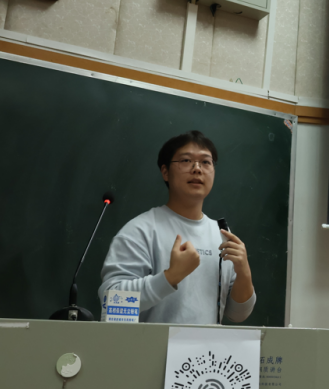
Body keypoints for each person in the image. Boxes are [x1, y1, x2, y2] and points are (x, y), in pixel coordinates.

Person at [98, 130, 255, 324]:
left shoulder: (222, 235)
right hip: (151, 344)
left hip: (208, 345)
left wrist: (244, 272)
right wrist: (170, 277)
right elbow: (111, 302)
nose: (197, 169)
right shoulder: (140, 230)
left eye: (206, 162)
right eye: (186, 160)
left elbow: (237, 314)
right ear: (165, 172)